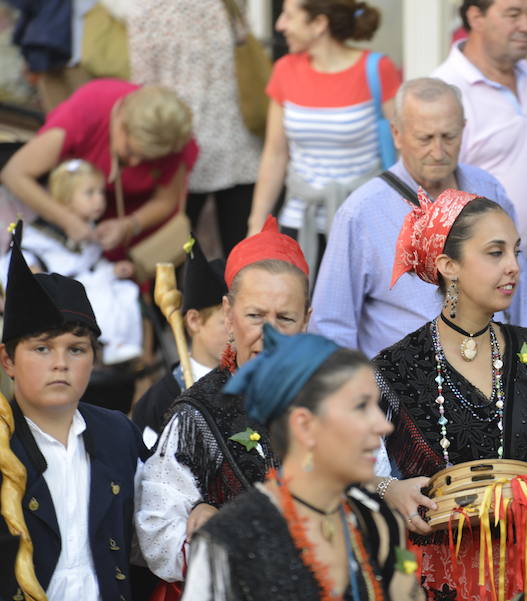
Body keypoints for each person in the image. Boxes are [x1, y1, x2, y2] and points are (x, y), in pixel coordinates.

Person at [372, 188, 527, 601]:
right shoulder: (393, 371)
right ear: (449, 266)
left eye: (516, 252)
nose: (513, 268)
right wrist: (388, 489)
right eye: (494, 253)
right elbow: (356, 473)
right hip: (441, 581)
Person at [180, 326, 425, 601]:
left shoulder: (378, 521)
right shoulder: (227, 542)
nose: (383, 426)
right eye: (360, 407)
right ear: (305, 425)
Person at [309, 77, 527, 358]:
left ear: (464, 129)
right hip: (401, 390)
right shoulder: (361, 213)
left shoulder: (489, 190)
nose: (438, 151)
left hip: (494, 373)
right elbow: (332, 326)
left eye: (449, 137)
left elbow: (523, 297)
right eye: (425, 139)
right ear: (396, 134)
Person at [135, 215, 310, 583]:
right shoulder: (196, 414)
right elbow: (158, 529)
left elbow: (371, 484)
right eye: (255, 315)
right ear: (229, 316)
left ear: (307, 321)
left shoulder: (335, 400)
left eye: (286, 318)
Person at [0, 220, 146, 601]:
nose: (60, 363)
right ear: (8, 360)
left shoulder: (119, 434)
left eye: (76, 349)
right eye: (42, 348)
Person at [247, 0, 401, 275]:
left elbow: (404, 145)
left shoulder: (377, 69)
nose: (279, 24)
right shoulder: (284, 70)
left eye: (290, 16)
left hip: (364, 222)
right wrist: (256, 225)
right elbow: (275, 154)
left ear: (319, 24)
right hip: (299, 222)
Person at [0, 80, 197, 262]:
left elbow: (165, 199)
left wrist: (129, 225)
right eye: (130, 151)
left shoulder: (169, 136)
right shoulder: (88, 111)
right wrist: (66, 219)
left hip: (137, 224)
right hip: (72, 213)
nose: (135, 163)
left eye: (147, 158)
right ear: (120, 117)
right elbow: (15, 173)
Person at [129, 0, 263, 257]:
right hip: (238, 144)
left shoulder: (145, 9)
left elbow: (144, 88)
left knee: (175, 254)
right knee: (240, 254)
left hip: (180, 147)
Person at [432, 0, 527, 261]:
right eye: (513, 14)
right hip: (482, 272)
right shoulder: (446, 89)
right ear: (476, 17)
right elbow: (431, 191)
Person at [0, 158, 142, 365]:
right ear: (65, 199)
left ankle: (124, 342)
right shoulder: (41, 232)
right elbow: (22, 256)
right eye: (90, 193)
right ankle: (109, 343)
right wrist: (32, 272)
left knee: (127, 290)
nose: (99, 200)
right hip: (60, 295)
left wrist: (112, 270)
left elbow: (91, 263)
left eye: (101, 192)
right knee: (97, 295)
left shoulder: (90, 229)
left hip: (88, 281)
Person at [131, 235, 229, 448]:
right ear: (194, 321)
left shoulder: (251, 387)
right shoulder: (160, 400)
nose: (237, 333)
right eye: (226, 323)